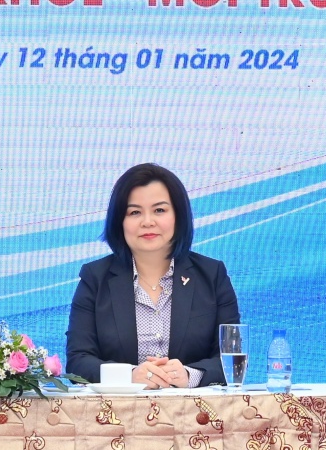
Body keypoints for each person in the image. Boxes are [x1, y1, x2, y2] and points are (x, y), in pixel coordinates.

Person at [66, 163, 240, 388]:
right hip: (119, 409)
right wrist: (129, 376)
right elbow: (78, 362)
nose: (147, 222)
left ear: (178, 215)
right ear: (120, 221)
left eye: (159, 210)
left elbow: (233, 358)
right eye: (134, 212)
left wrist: (189, 375)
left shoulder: (212, 276)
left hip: (194, 408)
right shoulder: (95, 279)